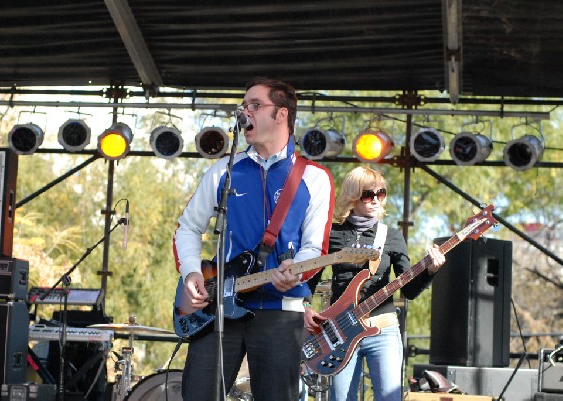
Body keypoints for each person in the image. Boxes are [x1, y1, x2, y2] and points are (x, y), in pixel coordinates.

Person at [173, 77, 334, 401]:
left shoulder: (314, 177)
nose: (244, 113)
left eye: (255, 106)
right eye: (243, 106)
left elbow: (314, 247)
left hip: (281, 311)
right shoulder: (223, 170)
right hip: (219, 307)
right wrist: (192, 272)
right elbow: (188, 227)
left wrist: (297, 270)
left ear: (282, 115)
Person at [304, 166, 445, 401]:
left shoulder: (391, 236)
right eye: (369, 194)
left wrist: (430, 270)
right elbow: (310, 280)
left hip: (383, 329)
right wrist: (304, 307)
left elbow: (408, 290)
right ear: (353, 196)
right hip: (339, 331)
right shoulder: (333, 234)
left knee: (389, 397)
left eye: (381, 193)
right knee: (340, 398)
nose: (376, 200)